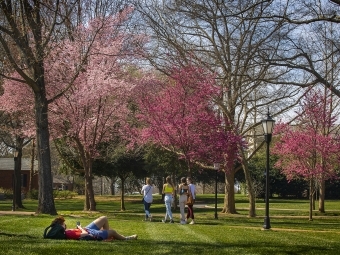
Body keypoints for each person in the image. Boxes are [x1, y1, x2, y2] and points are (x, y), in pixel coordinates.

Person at [50, 215, 138, 241]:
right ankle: (125, 238)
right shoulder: (68, 233)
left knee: (104, 218)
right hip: (90, 232)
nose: (65, 224)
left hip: (88, 228)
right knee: (113, 232)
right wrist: (80, 228)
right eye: (63, 223)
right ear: (60, 225)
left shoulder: (66, 231)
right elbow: (85, 234)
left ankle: (108, 235)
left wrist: (78, 228)